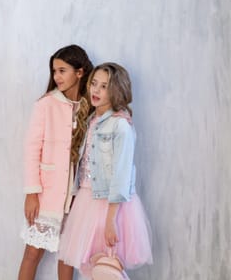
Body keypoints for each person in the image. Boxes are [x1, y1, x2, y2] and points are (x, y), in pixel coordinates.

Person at [58, 62, 153, 279]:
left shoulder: (120, 126)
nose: (96, 90)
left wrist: (110, 221)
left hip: (108, 205)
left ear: (116, 90)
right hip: (86, 199)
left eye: (104, 86)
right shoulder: (92, 120)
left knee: (106, 268)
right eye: (94, 84)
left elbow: (121, 176)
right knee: (88, 266)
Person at [18, 45, 94, 280]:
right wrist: (32, 192)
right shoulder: (45, 105)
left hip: (77, 195)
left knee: (67, 256)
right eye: (54, 71)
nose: (56, 77)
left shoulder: (91, 106)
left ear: (79, 72)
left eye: (62, 70)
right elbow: (32, 149)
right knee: (33, 252)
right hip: (47, 194)